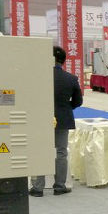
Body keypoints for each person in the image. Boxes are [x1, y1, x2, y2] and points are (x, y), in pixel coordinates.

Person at [29, 45, 83, 197]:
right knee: (61, 152)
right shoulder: (71, 79)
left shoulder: (37, 77)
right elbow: (78, 101)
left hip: (40, 119)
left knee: (40, 151)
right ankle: (59, 186)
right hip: (62, 119)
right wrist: (65, 107)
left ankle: (37, 188)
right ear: (63, 61)